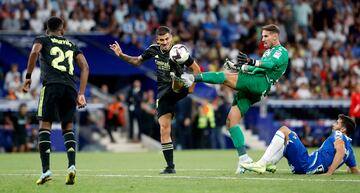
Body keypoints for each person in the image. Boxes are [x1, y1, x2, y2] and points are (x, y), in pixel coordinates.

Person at [181, 24, 289, 174]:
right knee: (231, 122)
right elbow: (257, 68)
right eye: (262, 36)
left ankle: (191, 78)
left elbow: (270, 65)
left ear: (275, 36)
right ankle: (244, 159)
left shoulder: (281, 51)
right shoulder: (268, 52)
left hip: (259, 83)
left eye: (265, 36)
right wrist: (239, 68)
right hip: (255, 86)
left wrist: (251, 62)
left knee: (223, 77)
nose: (262, 39)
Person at [109, 26, 201, 174]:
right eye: (161, 40)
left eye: (166, 39)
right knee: (164, 129)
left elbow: (196, 69)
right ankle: (170, 167)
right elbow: (137, 61)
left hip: (179, 87)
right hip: (163, 92)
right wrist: (121, 55)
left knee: (178, 82)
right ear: (157, 40)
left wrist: (192, 88)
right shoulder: (153, 49)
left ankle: (182, 81)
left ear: (171, 37)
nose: (164, 42)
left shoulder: (180, 51)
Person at [22, 16, 89, 185]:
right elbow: (85, 67)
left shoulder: (42, 39)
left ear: (47, 30)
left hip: (51, 85)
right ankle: (72, 166)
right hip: (70, 88)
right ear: (62, 29)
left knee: (45, 125)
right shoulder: (72, 45)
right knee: (67, 126)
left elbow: (34, 52)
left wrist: (28, 77)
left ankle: (46, 171)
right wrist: (81, 93)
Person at [240, 114, 359, 175]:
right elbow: (354, 171)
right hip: (306, 168)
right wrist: (348, 168)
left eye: (337, 123)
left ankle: (261, 164)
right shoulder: (351, 151)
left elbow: (340, 150)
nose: (334, 125)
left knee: (284, 130)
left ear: (343, 129)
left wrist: (330, 172)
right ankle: (270, 163)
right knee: (287, 143)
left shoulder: (338, 135)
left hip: (306, 163)